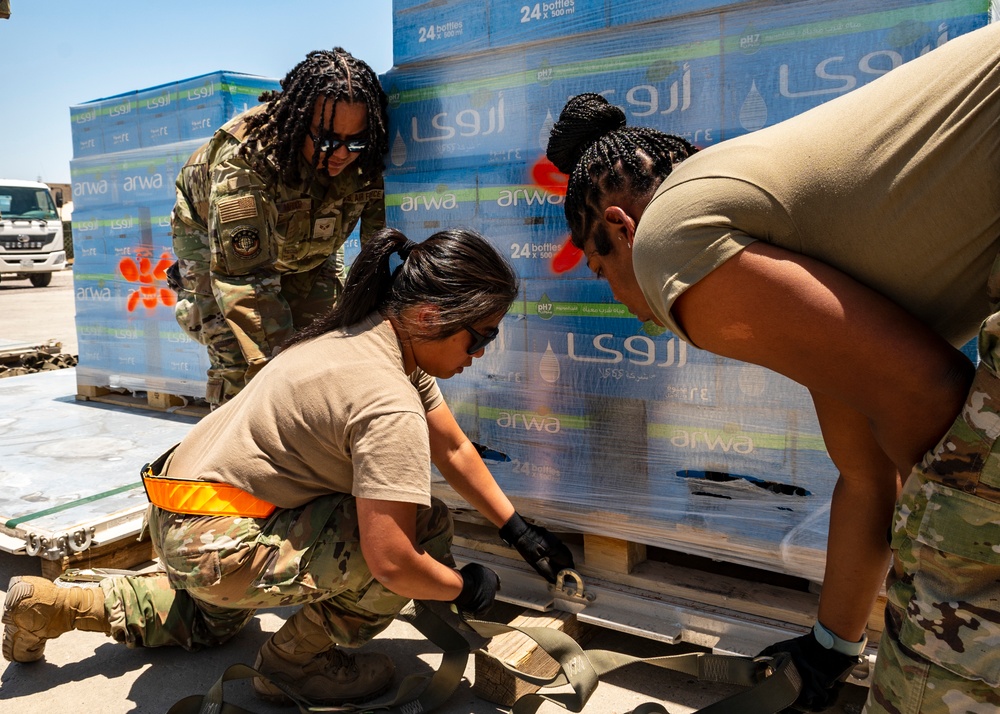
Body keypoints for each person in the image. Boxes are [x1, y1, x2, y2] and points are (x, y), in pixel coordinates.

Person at [544, 20, 1000, 714]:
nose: (617, 295)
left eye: (603, 270)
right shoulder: (765, 220)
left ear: (620, 227)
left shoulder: (669, 244)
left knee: (944, 656)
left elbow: (936, 401)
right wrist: (831, 649)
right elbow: (868, 476)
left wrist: (942, 551)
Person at [2, 227, 575, 707]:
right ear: (430, 315)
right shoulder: (388, 399)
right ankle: (297, 664)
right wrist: (460, 586)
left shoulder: (364, 336)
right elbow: (394, 561)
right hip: (218, 541)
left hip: (184, 512)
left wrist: (515, 528)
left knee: (214, 620)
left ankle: (60, 606)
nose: (479, 355)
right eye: (481, 337)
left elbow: (450, 448)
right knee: (422, 531)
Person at [169, 47, 389, 406]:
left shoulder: (369, 155)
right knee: (244, 366)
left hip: (307, 245)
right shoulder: (245, 163)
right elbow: (245, 281)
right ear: (298, 125)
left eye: (356, 142)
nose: (342, 154)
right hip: (216, 251)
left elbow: (379, 254)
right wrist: (279, 371)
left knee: (320, 349)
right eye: (329, 140)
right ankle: (227, 451)